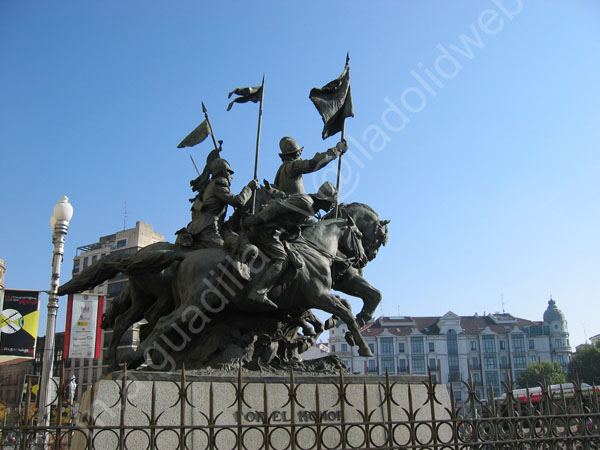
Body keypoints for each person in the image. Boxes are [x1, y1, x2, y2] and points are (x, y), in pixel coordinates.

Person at [243, 181, 338, 309]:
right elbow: (278, 206)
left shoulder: (310, 208)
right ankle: (258, 291)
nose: (333, 205)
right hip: (265, 232)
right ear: (324, 200)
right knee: (282, 258)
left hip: (276, 235)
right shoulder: (306, 202)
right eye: (332, 201)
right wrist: (258, 219)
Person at [179, 158, 258, 248]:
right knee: (226, 252)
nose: (231, 177)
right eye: (229, 173)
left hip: (203, 227)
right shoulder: (219, 183)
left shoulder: (210, 185)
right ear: (223, 172)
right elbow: (238, 201)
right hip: (208, 228)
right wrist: (249, 188)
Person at [274, 137, 347, 195]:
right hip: (298, 210)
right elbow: (314, 163)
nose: (301, 156)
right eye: (299, 153)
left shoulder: (280, 172)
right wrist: (337, 150)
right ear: (296, 154)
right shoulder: (293, 166)